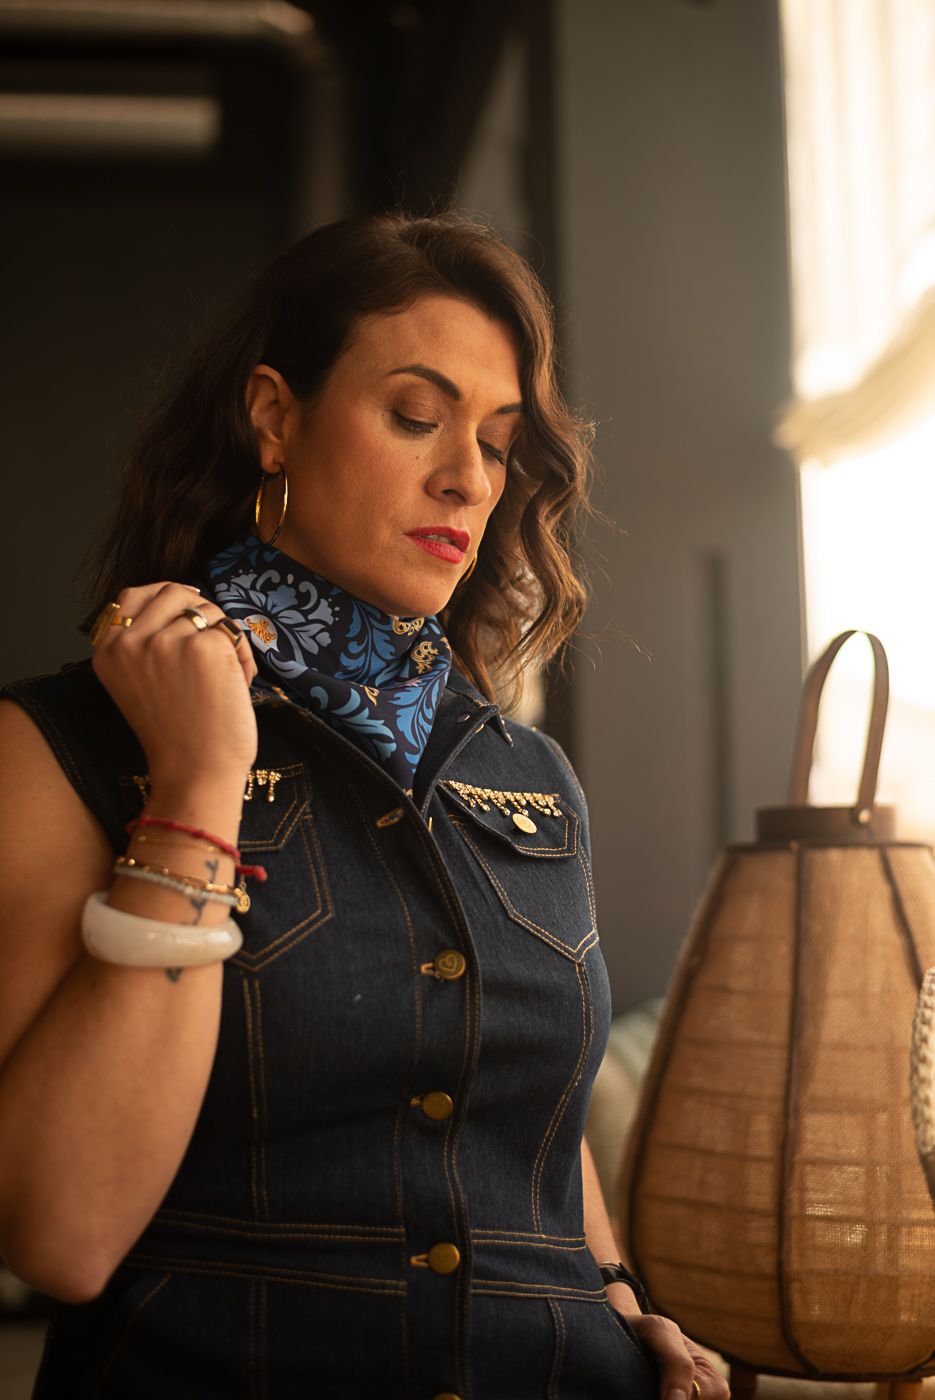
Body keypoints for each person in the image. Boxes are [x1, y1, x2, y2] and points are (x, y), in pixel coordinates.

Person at [0, 212, 727, 1399]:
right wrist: (197, 782)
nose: (466, 477)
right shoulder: (61, 745)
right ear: (274, 418)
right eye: (414, 415)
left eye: (496, 442)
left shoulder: (531, 775)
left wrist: (619, 1299)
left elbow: (531, 1133)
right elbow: (60, 1233)